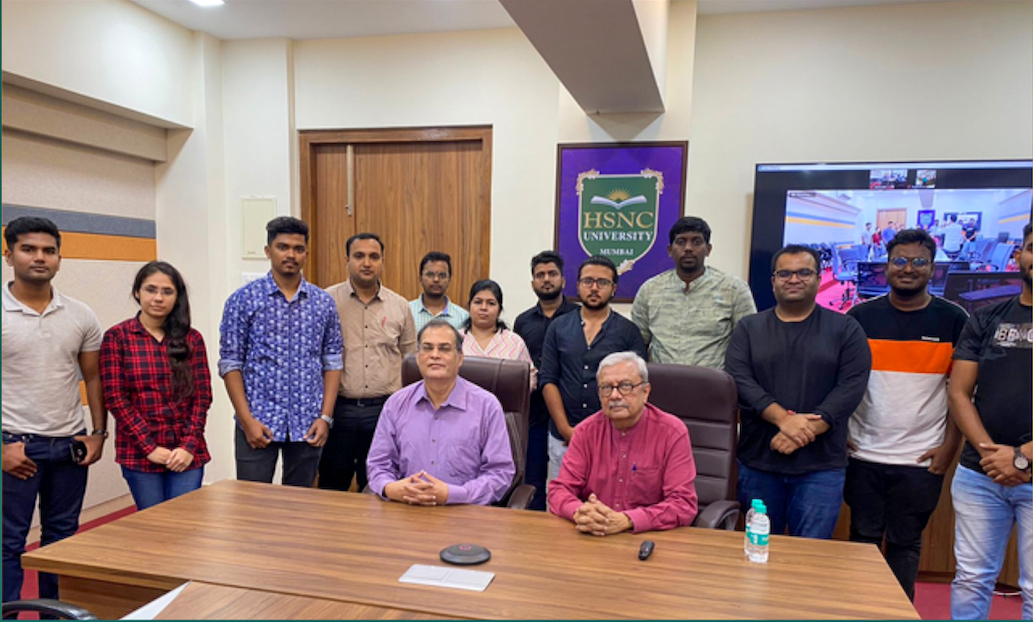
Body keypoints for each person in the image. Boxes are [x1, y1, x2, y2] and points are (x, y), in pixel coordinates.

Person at [845, 229, 969, 601]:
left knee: (905, 543)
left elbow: (961, 393)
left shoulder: (954, 319)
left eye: (919, 262)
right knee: (861, 539)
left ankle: (898, 613)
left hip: (921, 459)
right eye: (900, 260)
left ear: (933, 268)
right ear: (886, 266)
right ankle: (857, 610)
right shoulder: (860, 317)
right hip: (862, 452)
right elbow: (842, 382)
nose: (908, 269)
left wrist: (950, 447)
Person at [725, 244, 871, 539]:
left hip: (821, 468)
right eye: (785, 273)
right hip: (759, 463)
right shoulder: (749, 328)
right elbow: (739, 380)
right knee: (758, 552)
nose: (794, 279)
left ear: (819, 278)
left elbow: (851, 385)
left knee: (811, 557)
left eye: (804, 272)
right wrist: (783, 419)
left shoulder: (846, 328)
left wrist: (806, 430)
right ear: (773, 281)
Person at [2, 217, 106, 603]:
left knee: (62, 542)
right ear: (8, 255)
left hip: (68, 448)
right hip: (14, 447)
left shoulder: (80, 314)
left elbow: (93, 378)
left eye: (49, 251)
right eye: (28, 249)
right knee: (7, 544)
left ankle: (55, 615)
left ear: (60, 258)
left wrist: (97, 434)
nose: (40, 258)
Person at [947, 222, 1032, 620]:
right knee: (971, 579)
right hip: (980, 475)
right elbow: (959, 393)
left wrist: (1022, 456)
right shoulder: (986, 318)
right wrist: (990, 455)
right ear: (1019, 255)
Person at [219, 216, 343, 487]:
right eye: (283, 247)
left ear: (306, 253)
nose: (291, 255)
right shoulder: (243, 300)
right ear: (268, 251)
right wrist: (246, 420)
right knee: (252, 502)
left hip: (308, 423)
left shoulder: (323, 303)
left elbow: (333, 362)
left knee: (300, 505)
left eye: (298, 249)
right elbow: (230, 363)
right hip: (257, 420)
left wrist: (325, 417)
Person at [100, 261, 213, 510]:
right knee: (152, 524)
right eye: (151, 290)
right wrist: (149, 447)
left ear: (177, 297)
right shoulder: (117, 337)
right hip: (140, 453)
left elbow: (202, 397)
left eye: (167, 291)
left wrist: (188, 446)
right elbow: (115, 398)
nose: (158, 298)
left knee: (184, 522)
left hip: (187, 453)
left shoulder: (192, 338)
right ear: (137, 292)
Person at [366, 319, 515, 506]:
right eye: (427, 348)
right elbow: (378, 464)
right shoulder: (396, 404)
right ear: (418, 357)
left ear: (460, 358)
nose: (435, 355)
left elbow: (499, 473)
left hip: (465, 511)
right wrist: (390, 488)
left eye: (444, 349)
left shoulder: (487, 406)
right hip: (406, 509)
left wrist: (453, 494)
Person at [548, 352, 698, 534]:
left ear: (645, 392)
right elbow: (559, 490)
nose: (614, 395)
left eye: (625, 386)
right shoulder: (585, 432)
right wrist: (581, 512)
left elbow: (683, 504)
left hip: (650, 537)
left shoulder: (672, 432)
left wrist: (628, 520)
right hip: (594, 534)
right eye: (606, 388)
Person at [320, 233, 416, 492]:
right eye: (359, 256)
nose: (366, 263)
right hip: (338, 410)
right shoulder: (326, 302)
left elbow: (410, 360)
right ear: (347, 260)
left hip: (384, 412)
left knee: (378, 487)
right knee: (331, 486)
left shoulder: (400, 306)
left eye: (374, 257)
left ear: (382, 261)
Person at [539, 255, 648, 480]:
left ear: (613, 288)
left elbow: (636, 387)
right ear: (578, 285)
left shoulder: (628, 332)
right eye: (588, 281)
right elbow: (548, 380)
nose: (594, 288)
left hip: (613, 438)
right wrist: (566, 430)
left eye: (602, 282)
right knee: (563, 498)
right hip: (564, 437)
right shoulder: (558, 327)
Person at [631, 216, 756, 369]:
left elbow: (748, 345)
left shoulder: (734, 289)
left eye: (696, 242)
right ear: (670, 250)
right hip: (662, 380)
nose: (688, 248)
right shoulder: (649, 290)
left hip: (714, 381)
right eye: (681, 242)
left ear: (708, 249)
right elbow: (637, 346)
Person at [514, 251, 580, 511]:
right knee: (533, 480)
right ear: (533, 283)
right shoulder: (523, 321)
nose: (546, 279)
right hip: (533, 413)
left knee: (569, 482)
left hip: (569, 411)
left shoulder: (578, 317)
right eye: (540, 275)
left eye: (552, 274)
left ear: (563, 280)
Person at [461, 279, 536, 389]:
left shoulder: (514, 342)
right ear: (469, 306)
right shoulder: (454, 339)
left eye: (491, 303)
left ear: (499, 310)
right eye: (478, 302)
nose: (483, 307)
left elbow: (530, 377)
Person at [409, 251, 469, 332]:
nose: (436, 279)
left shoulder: (463, 317)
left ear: (449, 280)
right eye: (430, 274)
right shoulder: (407, 312)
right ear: (420, 279)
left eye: (442, 275)